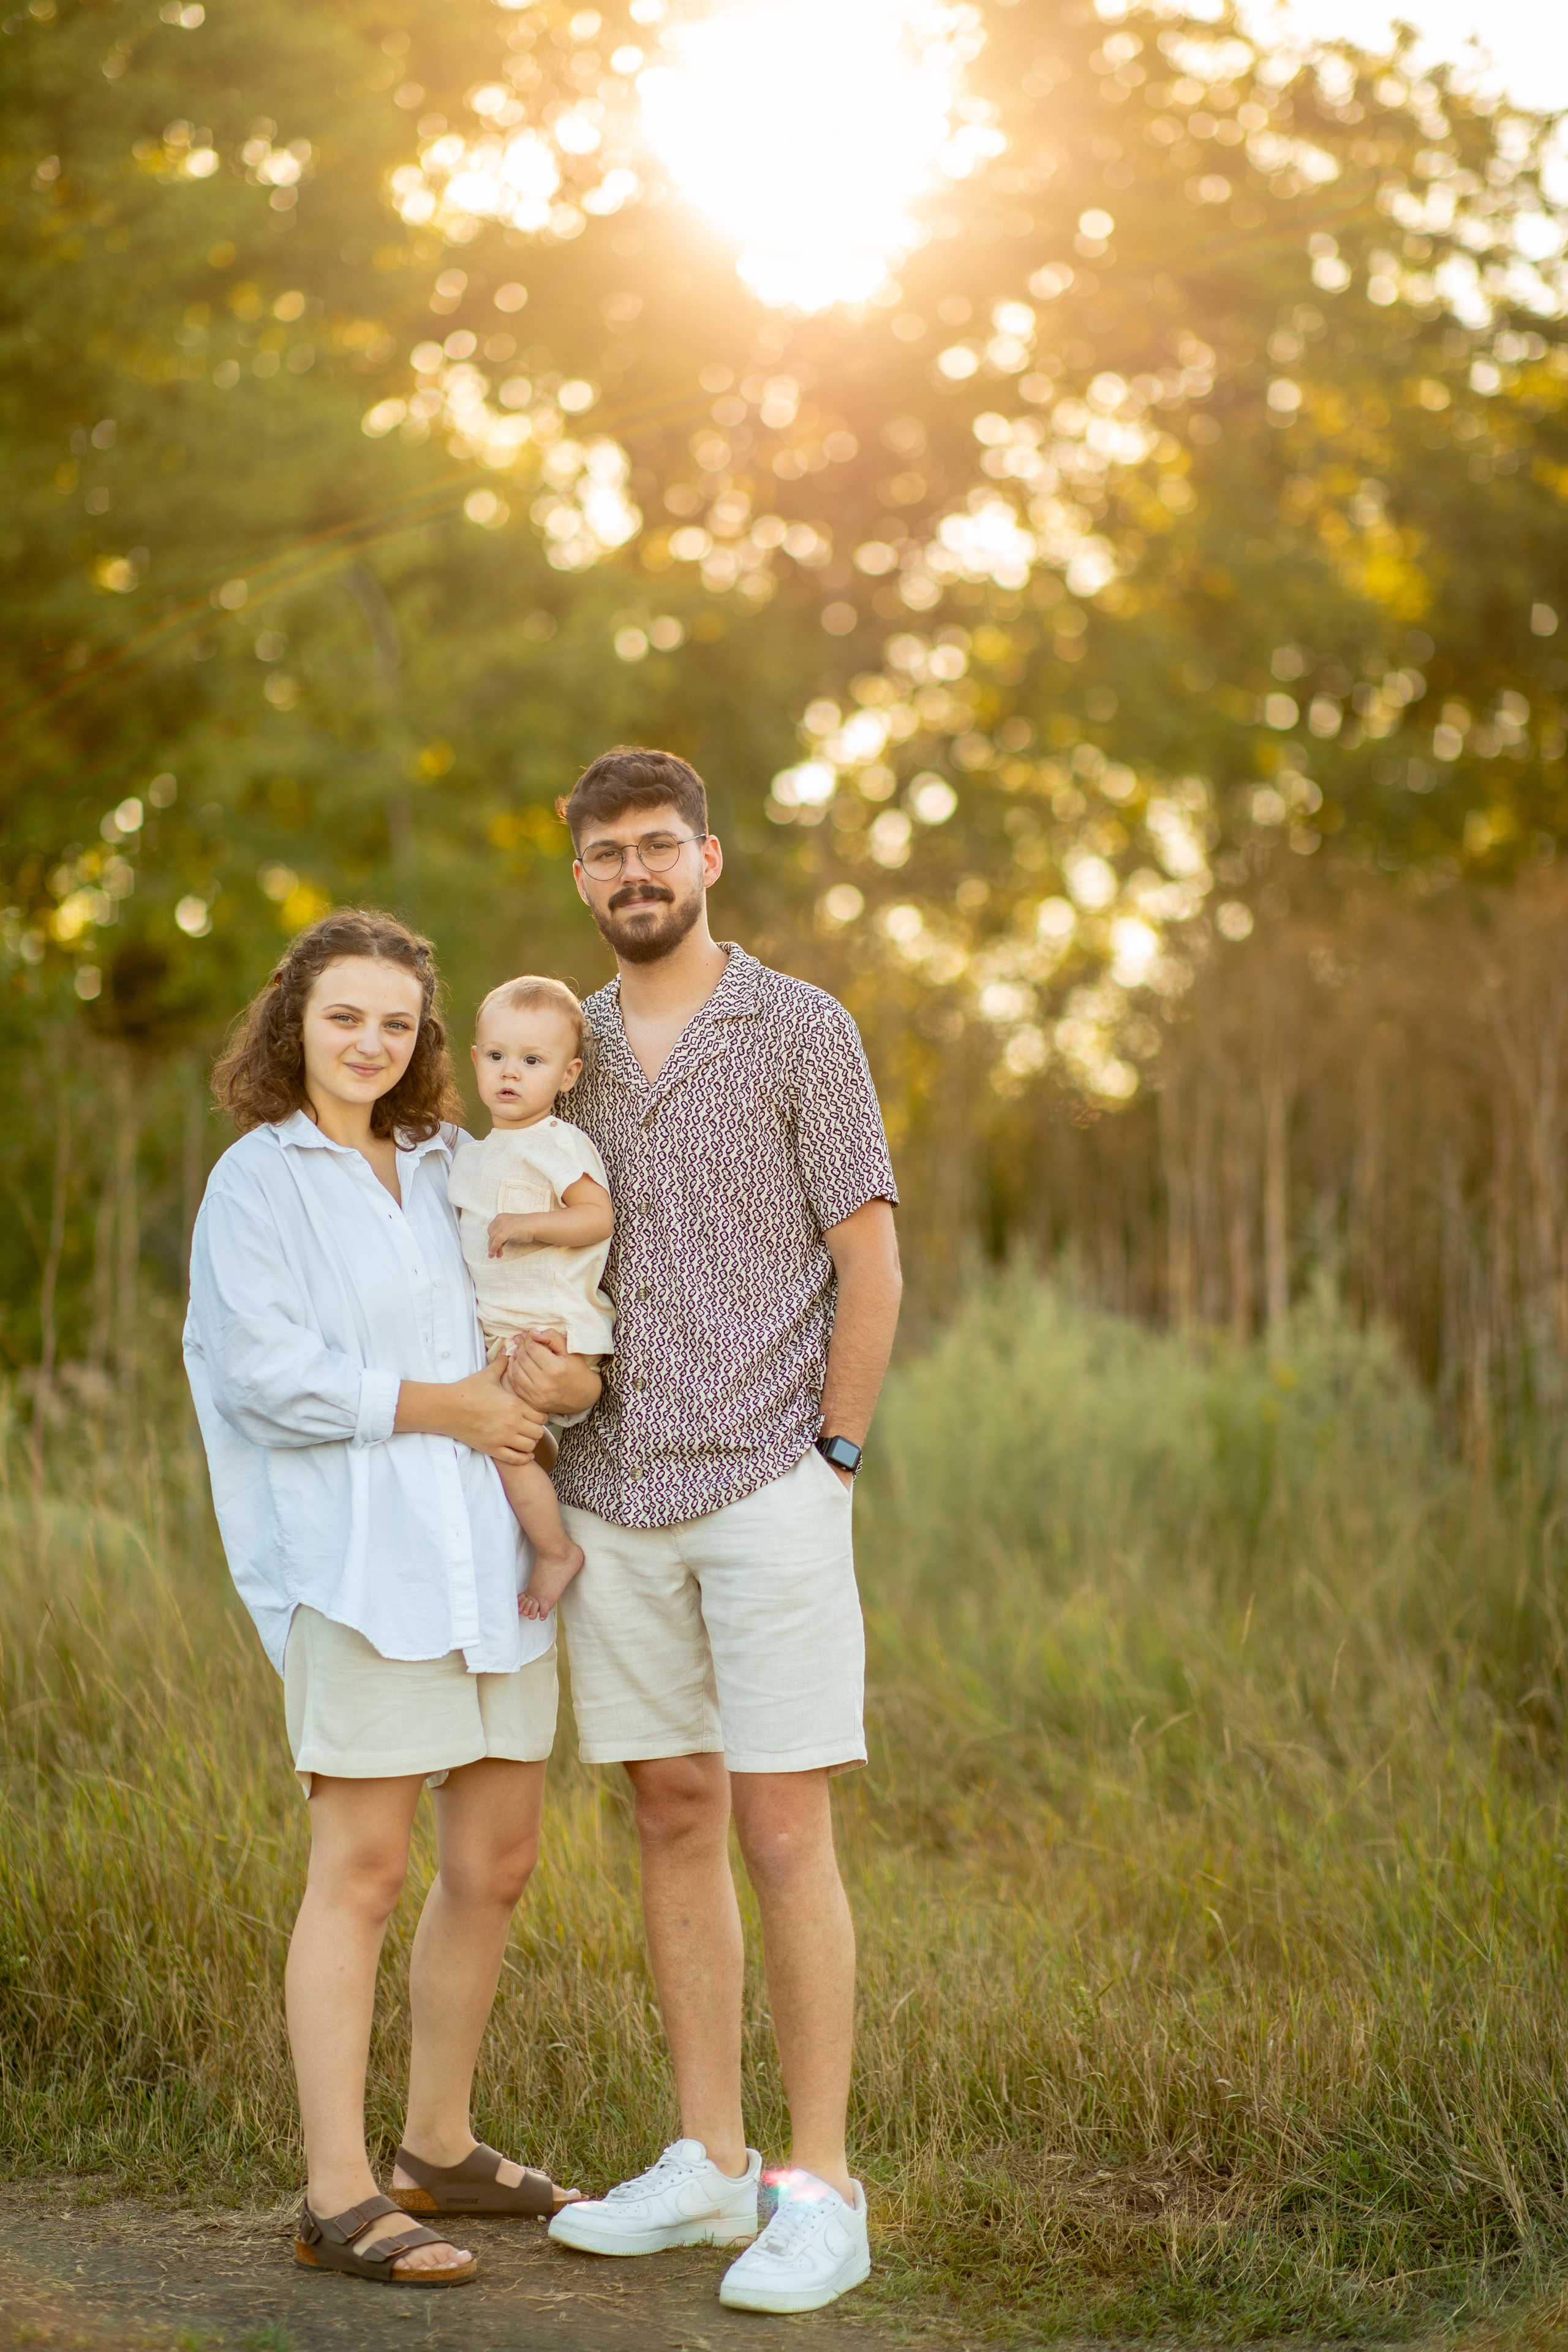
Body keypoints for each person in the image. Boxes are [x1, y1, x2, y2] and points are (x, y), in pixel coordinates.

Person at [183, 909, 598, 2290]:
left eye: (397, 1022)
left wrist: (557, 1387)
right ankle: (339, 2192)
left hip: (490, 1556)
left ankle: (437, 2145)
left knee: (495, 1865)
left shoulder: (450, 1166)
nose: (371, 1042)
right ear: (293, 1017)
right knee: (360, 1875)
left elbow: (541, 1302)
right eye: (343, 1015)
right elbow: (265, 1380)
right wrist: (453, 1407)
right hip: (358, 1564)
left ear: (427, 1038)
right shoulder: (261, 1179)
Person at [544, 748, 903, 2315]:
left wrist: (833, 1450)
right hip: (608, 1492)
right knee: (669, 1815)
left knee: (780, 1826)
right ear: (582, 878)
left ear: (708, 857)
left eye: (656, 847)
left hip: (769, 1480)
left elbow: (868, 1259)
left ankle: (817, 2188)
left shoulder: (800, 1026)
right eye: (606, 854)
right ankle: (705, 2160)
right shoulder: (560, 1050)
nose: (634, 873)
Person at [448, 974, 615, 1621]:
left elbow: (595, 1218)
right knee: (506, 1444)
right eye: (496, 1057)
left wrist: (530, 1225)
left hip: (551, 1329)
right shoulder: (473, 1154)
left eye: (532, 1061)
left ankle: (553, 1552)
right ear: (476, 1060)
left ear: (567, 1075)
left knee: (505, 1444)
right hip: (503, 1333)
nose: (509, 1074)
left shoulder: (556, 1144)